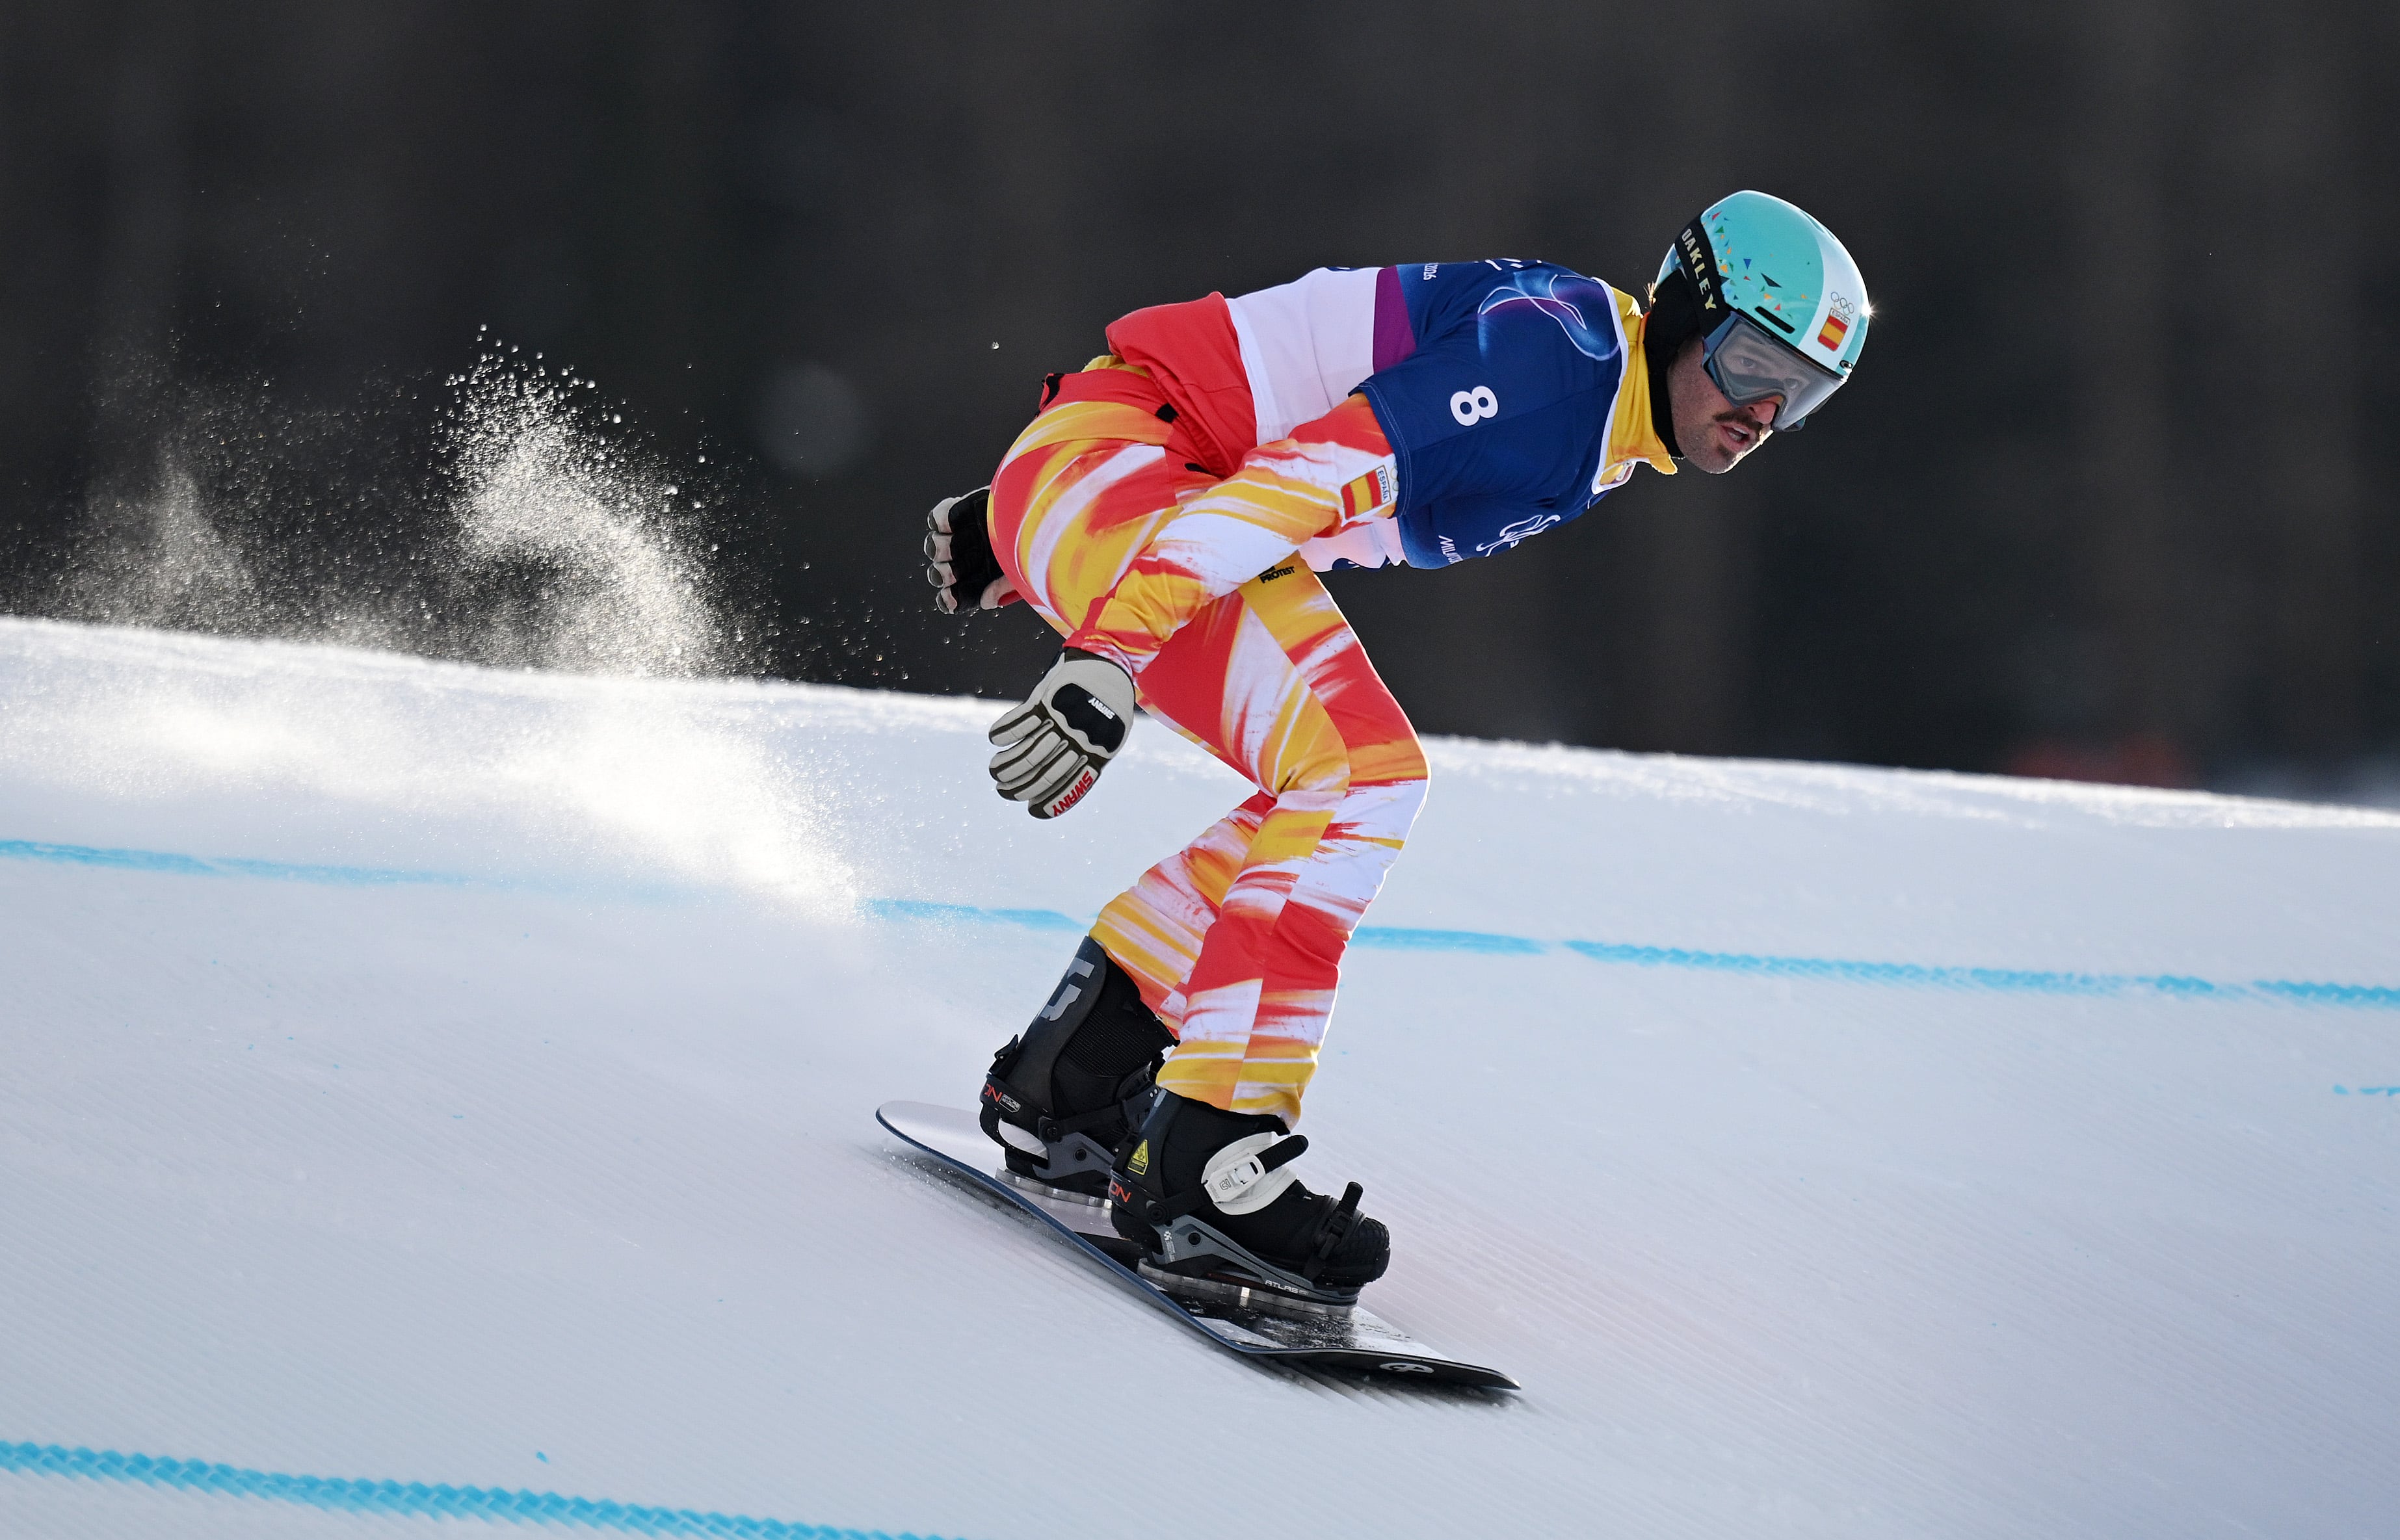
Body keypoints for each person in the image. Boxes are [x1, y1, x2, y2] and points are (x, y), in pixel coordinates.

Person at [923, 190, 1870, 1311]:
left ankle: (1077, 1078)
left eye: (1803, 394)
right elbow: (1307, 477)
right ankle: (1210, 1162)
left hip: (1120, 475)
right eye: (1753, 363)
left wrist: (1025, 517)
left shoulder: (1601, 403)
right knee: (1359, 778)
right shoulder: (1554, 362)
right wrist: (1110, 643)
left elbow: (1270, 403)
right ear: (1682, 309)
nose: (1765, 411)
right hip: (1135, 481)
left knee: (1321, 792)